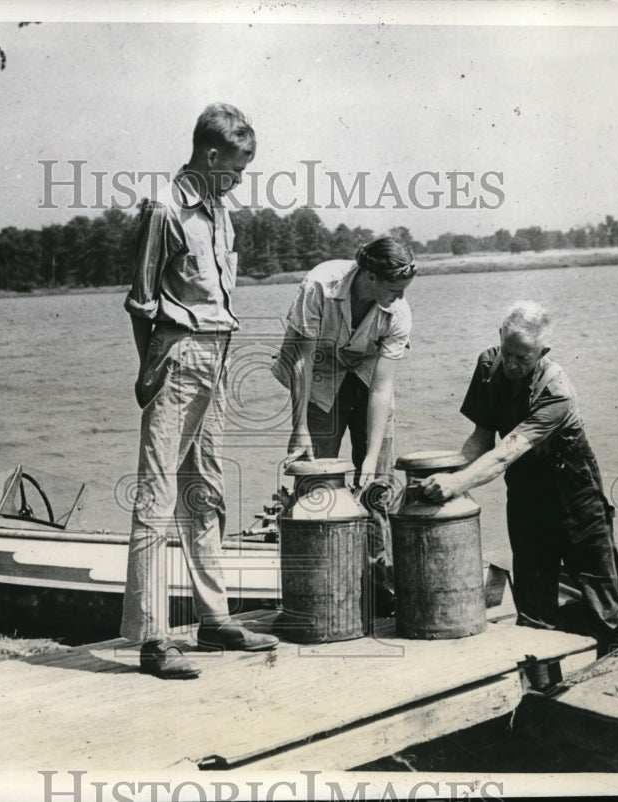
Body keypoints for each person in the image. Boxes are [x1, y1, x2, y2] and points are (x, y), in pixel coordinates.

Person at [121, 103, 278, 680]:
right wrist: (149, 370)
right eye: (237, 168)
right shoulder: (164, 209)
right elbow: (140, 302)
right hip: (176, 357)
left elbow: (221, 302)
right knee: (156, 500)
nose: (241, 179)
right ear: (211, 156)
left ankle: (215, 620)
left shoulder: (219, 211)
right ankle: (153, 640)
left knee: (205, 492)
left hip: (214, 357)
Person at [420, 301, 618, 646]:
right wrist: (443, 475)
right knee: (533, 610)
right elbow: (482, 437)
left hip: (576, 497)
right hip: (526, 496)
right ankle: (542, 691)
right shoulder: (488, 365)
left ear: (543, 351)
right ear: (500, 336)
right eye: (509, 352)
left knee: (605, 609)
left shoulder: (557, 391)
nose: (514, 364)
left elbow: (505, 453)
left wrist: (457, 483)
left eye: (524, 357)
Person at [271, 237, 416, 609]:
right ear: (369, 276)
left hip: (367, 382)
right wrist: (299, 426)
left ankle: (377, 588)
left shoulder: (398, 313)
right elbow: (300, 361)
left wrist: (369, 460)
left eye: (403, 292)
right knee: (314, 486)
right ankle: (315, 586)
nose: (399, 299)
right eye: (393, 290)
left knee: (377, 490)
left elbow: (383, 387)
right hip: (318, 378)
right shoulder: (320, 285)